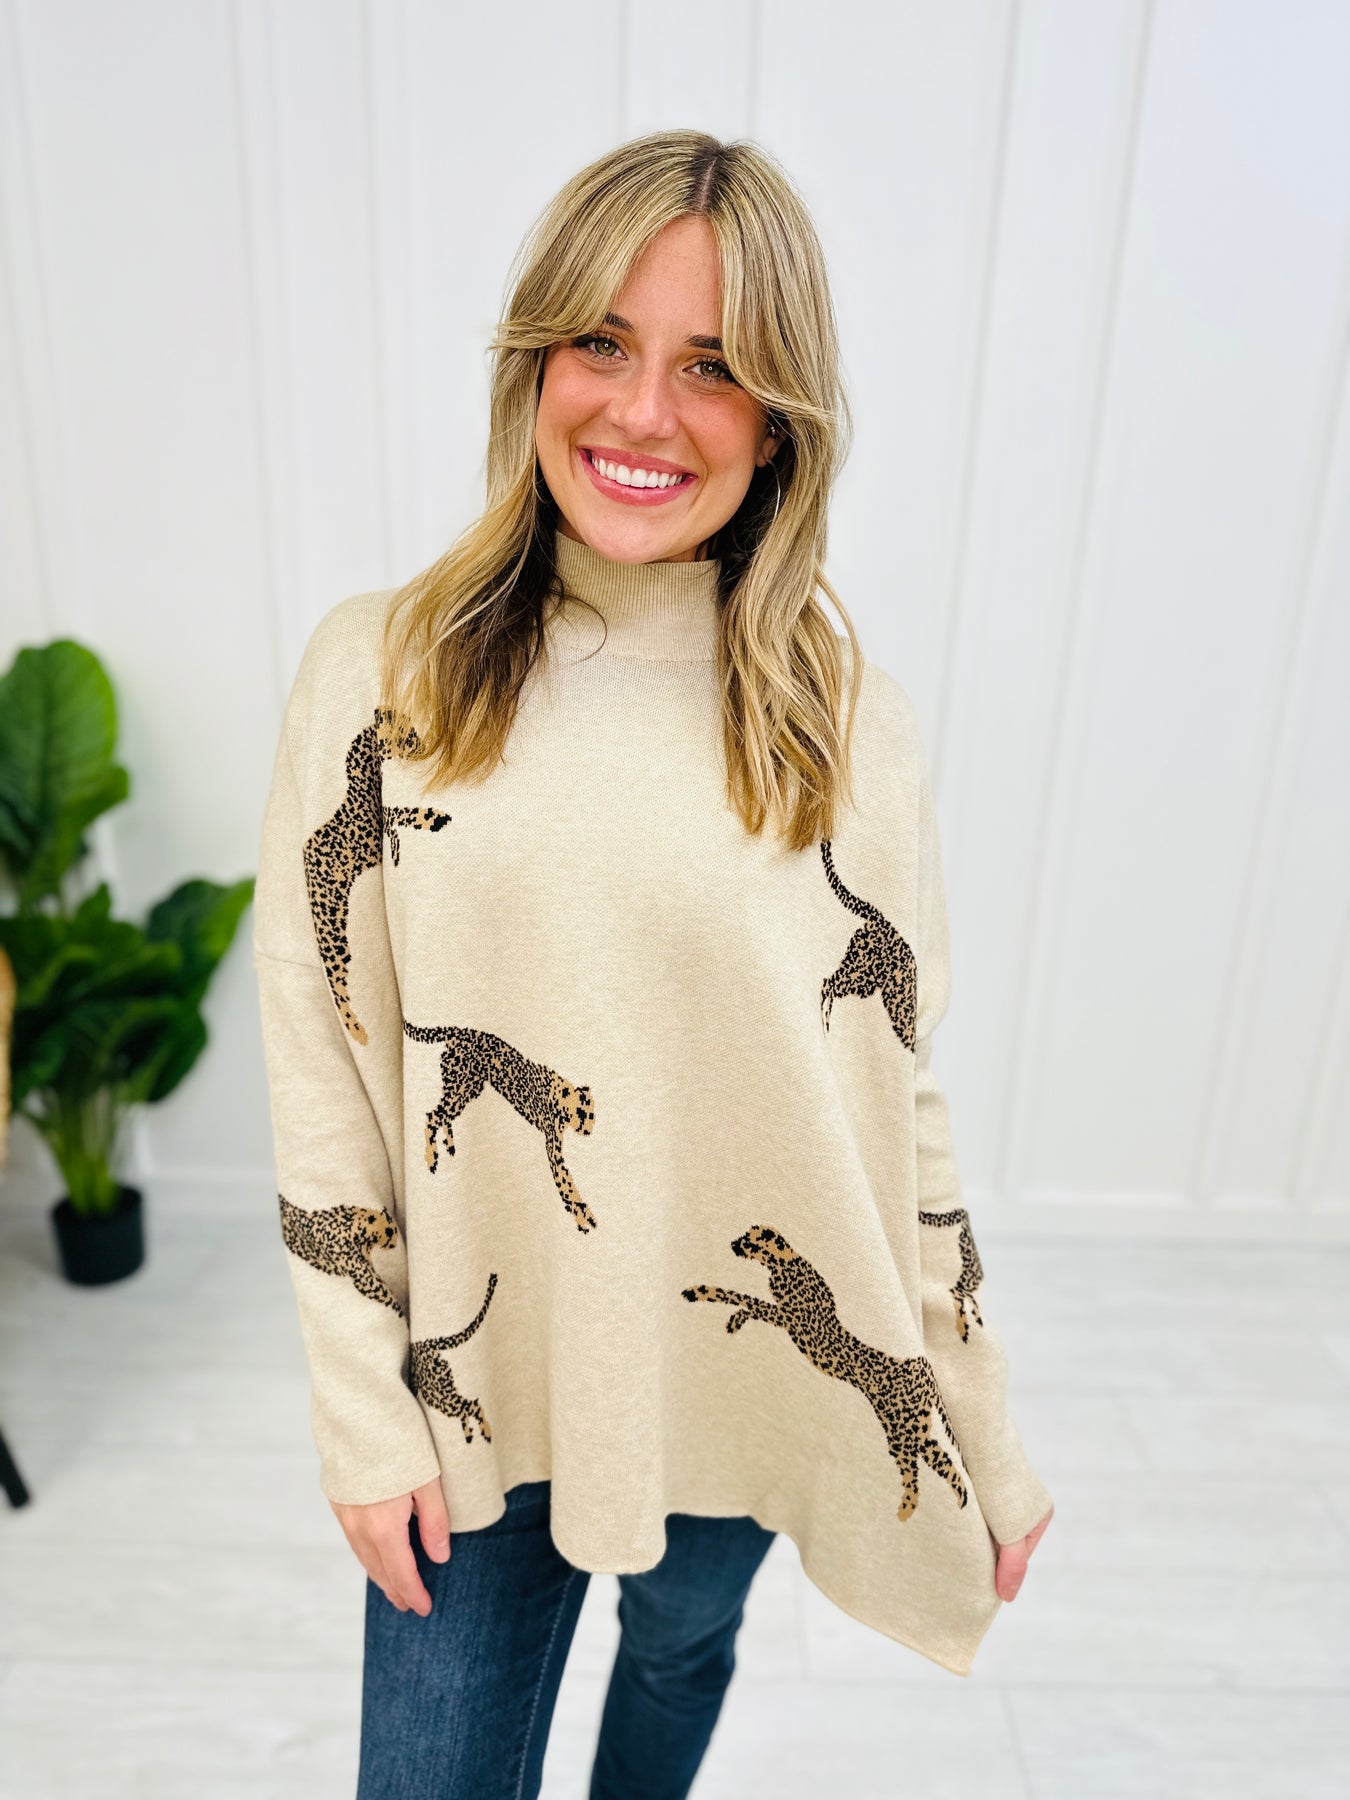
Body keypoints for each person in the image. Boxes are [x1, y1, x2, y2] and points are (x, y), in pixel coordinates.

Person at [252, 128, 1054, 1800]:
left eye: (712, 365)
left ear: (779, 421)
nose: (640, 412)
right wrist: (361, 1413)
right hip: (477, 1399)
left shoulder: (845, 725)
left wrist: (977, 1410)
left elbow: (886, 1100)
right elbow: (321, 1057)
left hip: (732, 1375)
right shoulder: (382, 673)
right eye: (601, 343)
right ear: (534, 361)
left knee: (683, 1650)